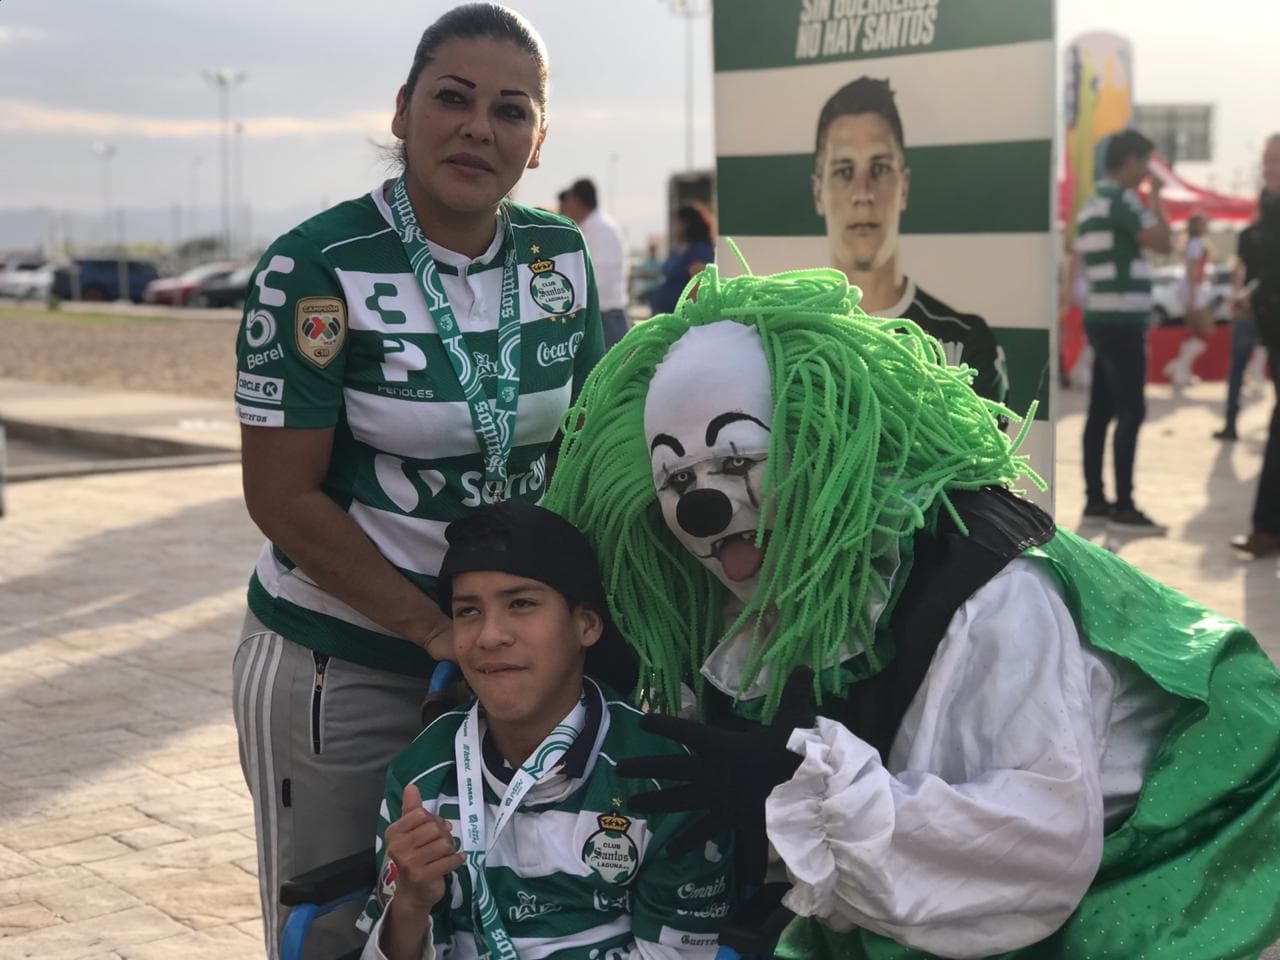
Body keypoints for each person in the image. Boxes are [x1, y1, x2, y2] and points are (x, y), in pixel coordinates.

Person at [544, 263, 1280, 960]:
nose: (702, 506)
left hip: (1194, 839)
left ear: (819, 441)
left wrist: (798, 792)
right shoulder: (764, 582)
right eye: (676, 477)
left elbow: (1035, 852)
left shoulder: (981, 595)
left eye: (738, 461)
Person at [230, 6, 604, 957]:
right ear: (402, 113)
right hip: (345, 659)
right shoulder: (312, 268)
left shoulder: (562, 257)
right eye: (453, 98)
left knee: (489, 921)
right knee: (340, 924)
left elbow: (589, 449)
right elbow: (280, 498)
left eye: (511, 110)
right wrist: (434, 628)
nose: (480, 127)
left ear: (538, 140)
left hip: (503, 663)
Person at [358, 500, 732, 960]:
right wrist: (411, 902)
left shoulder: (661, 773)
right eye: (468, 612)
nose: (490, 635)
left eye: (521, 603)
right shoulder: (424, 771)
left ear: (587, 624)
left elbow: (679, 954)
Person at [811, 76, 1007, 404]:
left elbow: (979, 452)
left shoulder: (964, 341)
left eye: (880, 168)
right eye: (844, 172)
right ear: (818, 194)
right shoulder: (788, 337)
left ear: (904, 187)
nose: (863, 193)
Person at [1075, 128, 1172, 530]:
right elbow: (1164, 242)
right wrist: (1157, 198)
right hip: (1122, 321)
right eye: (1146, 161)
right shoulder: (1122, 200)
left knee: (1100, 410)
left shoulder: (1094, 201)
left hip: (1100, 315)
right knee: (1131, 410)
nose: (1149, 170)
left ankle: (1096, 501)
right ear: (1130, 161)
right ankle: (1124, 507)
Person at [1231, 133, 1280, 558]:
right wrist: (1250, 292)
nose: (1269, 168)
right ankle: (1267, 528)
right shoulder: (1266, 216)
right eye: (1267, 160)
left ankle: (1267, 527)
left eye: (1276, 161)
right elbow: (1261, 269)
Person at [559, 177, 629, 348]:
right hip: (602, 316)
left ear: (576, 200)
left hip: (605, 317)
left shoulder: (601, 229)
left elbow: (601, 277)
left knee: (609, 373)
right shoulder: (594, 227)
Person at [1215, 218, 1265, 441]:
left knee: (1237, 369)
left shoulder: (1249, 233)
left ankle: (1230, 423)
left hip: (1248, 309)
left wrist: (1239, 297)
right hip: (1265, 309)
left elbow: (1239, 271)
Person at [1163, 211, 1211, 387]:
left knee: (1193, 332)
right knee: (1203, 330)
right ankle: (1180, 367)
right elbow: (1193, 269)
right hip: (1193, 290)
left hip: (1194, 289)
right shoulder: (1195, 244)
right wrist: (1192, 294)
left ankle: (1181, 368)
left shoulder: (1194, 243)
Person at [649, 202, 715, 316]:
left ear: (687, 224)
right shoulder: (681, 248)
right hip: (666, 315)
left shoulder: (700, 250)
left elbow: (699, 284)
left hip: (681, 318)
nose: (674, 226)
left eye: (677, 222)